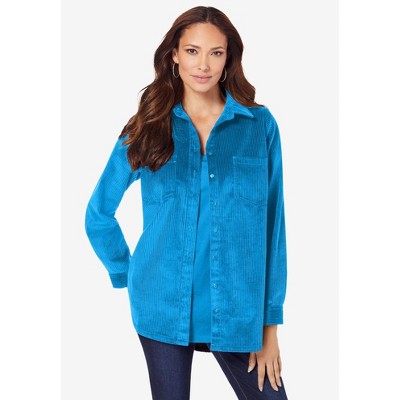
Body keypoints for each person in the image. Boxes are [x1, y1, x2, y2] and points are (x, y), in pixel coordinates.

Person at [85, 5, 289, 400]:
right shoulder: (147, 127)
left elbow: (273, 229)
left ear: (228, 58)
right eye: (193, 51)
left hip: (238, 311)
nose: (203, 65)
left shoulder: (259, 126)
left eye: (216, 52)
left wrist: (270, 327)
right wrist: (127, 272)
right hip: (162, 307)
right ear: (174, 55)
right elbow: (98, 213)